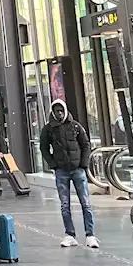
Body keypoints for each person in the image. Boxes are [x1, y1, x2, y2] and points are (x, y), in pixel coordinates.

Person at [39, 100, 98, 249]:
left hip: (78, 169)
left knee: (86, 203)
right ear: (53, 112)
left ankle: (90, 235)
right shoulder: (48, 129)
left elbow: (85, 144)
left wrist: (83, 164)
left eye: (61, 110)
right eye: (56, 111)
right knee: (65, 205)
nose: (59, 113)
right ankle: (70, 234)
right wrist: (54, 165)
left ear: (65, 110)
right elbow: (44, 148)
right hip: (61, 171)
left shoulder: (76, 126)